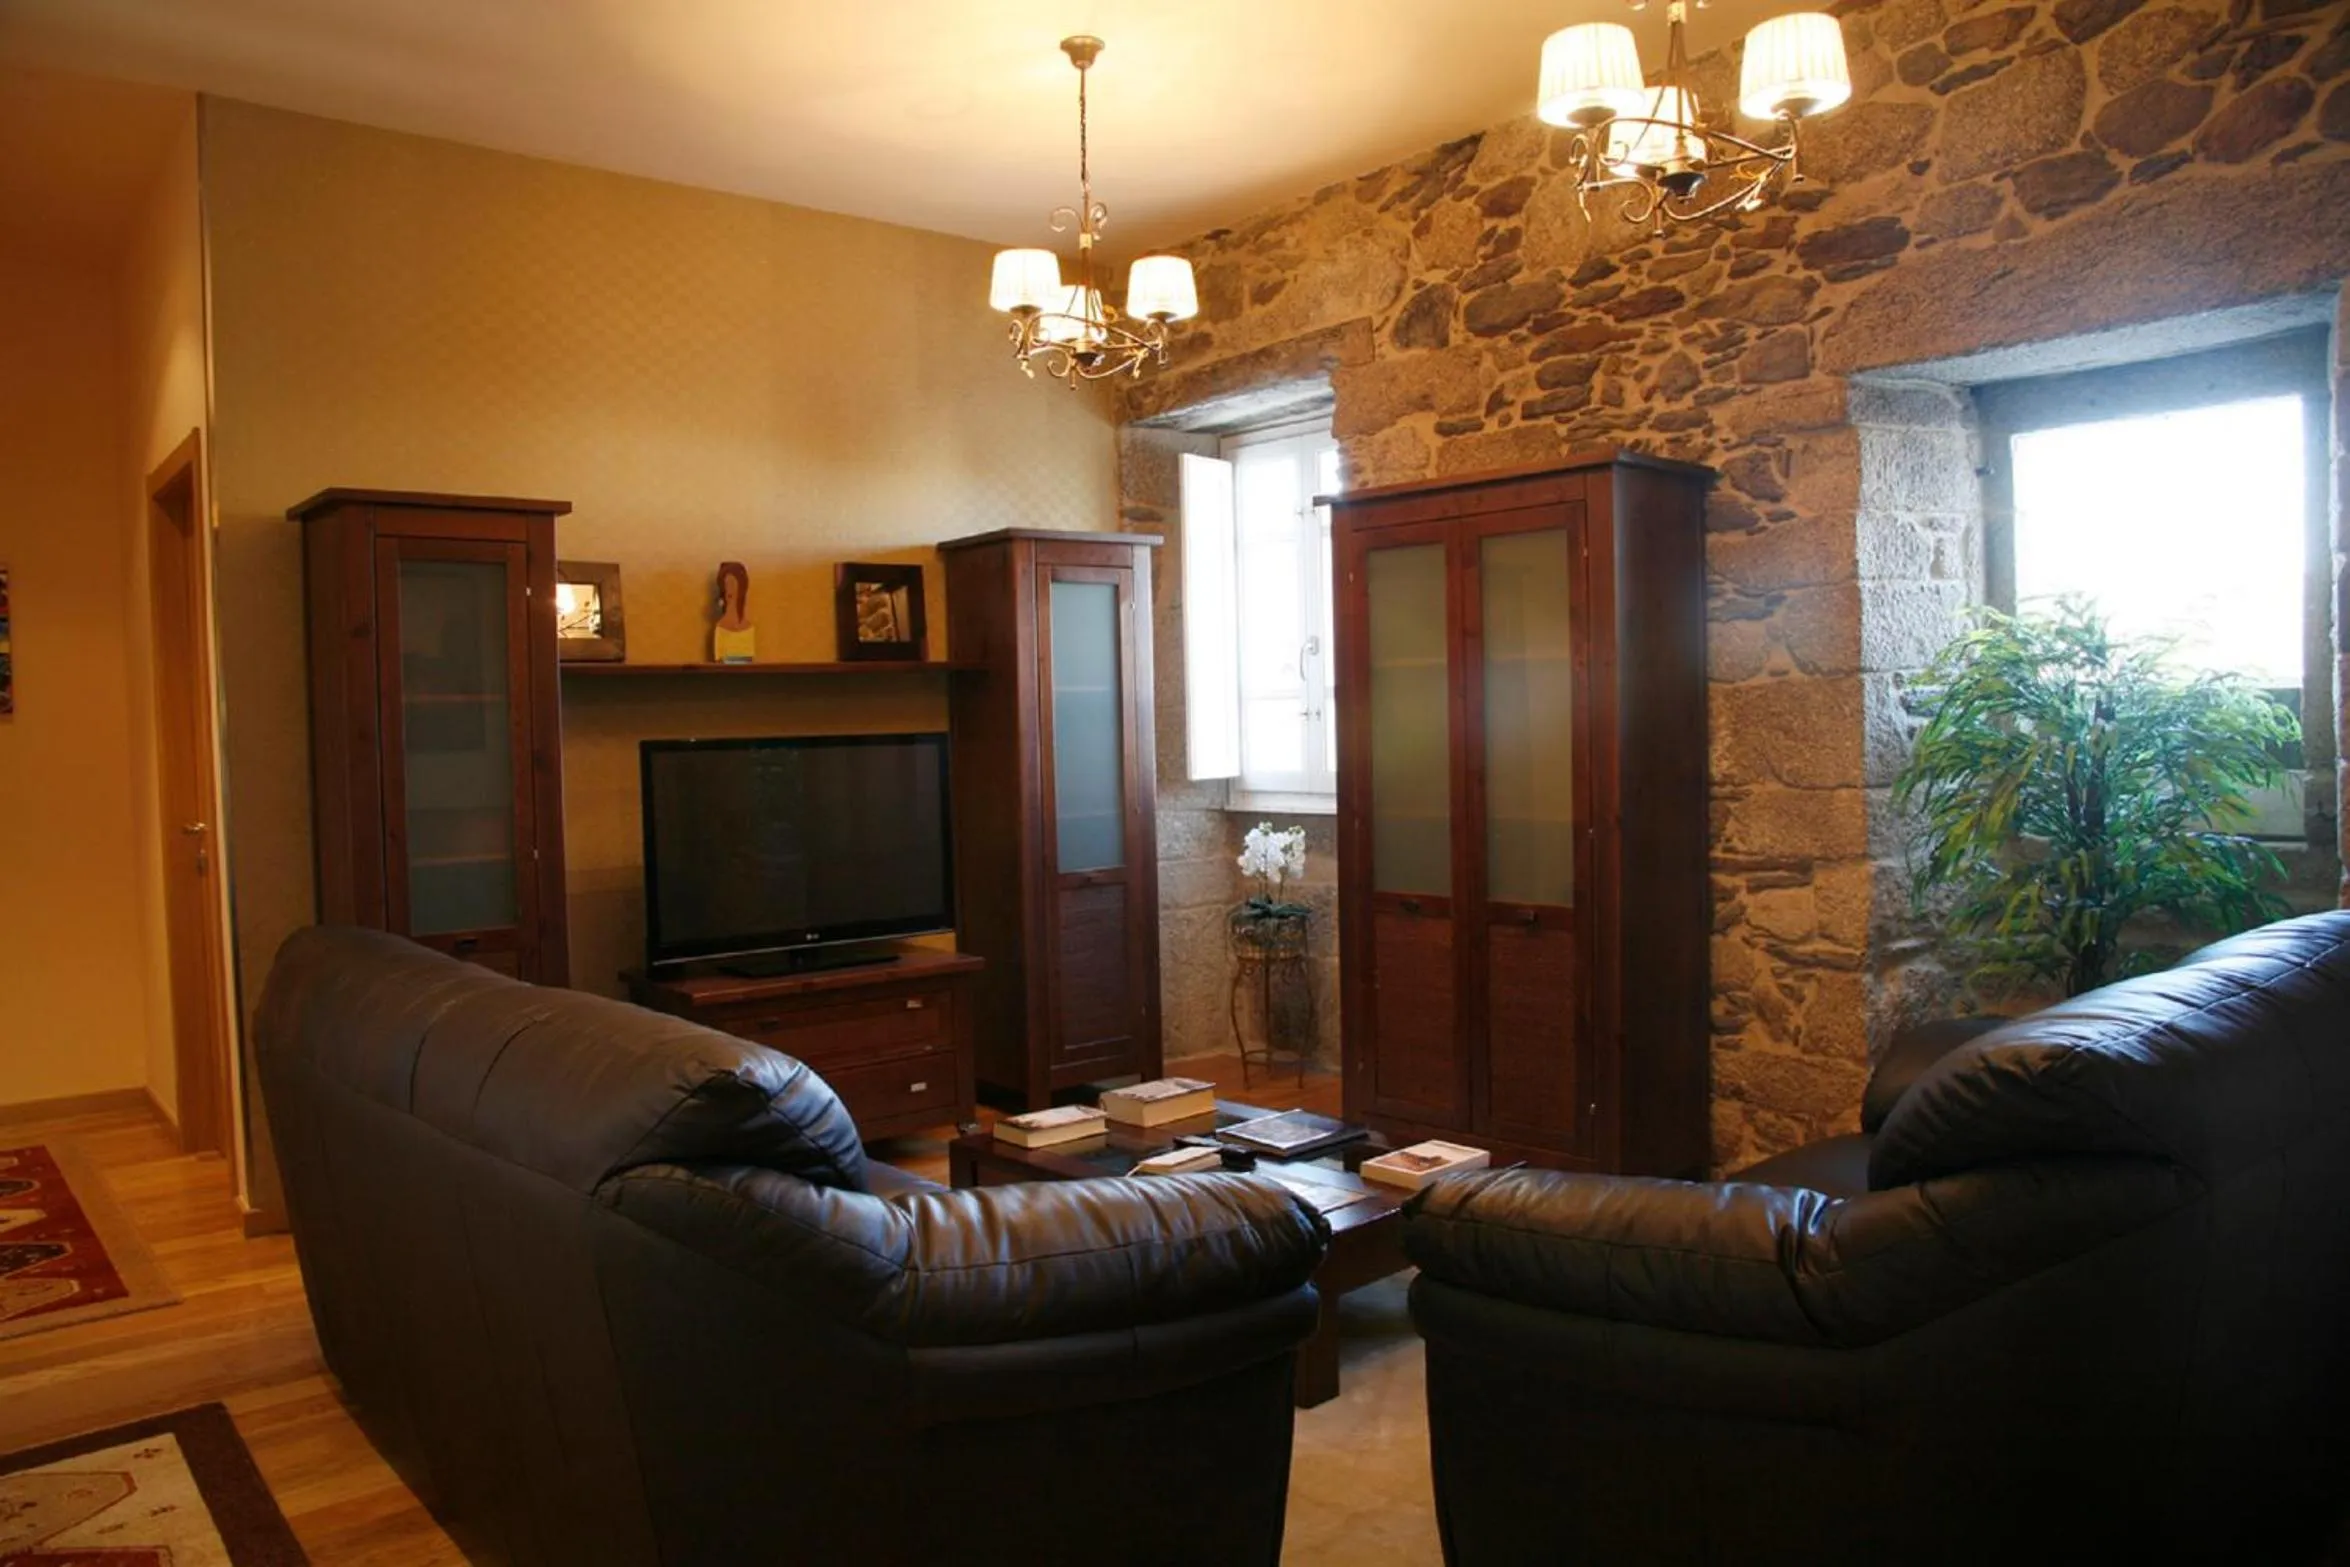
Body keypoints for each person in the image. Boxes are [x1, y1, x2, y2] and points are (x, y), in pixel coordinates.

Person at [712, 560, 756, 663]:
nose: (729, 591)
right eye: (727, 586)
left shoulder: (749, 628)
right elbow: (719, 661)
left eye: (733, 585)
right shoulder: (720, 628)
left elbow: (750, 661)